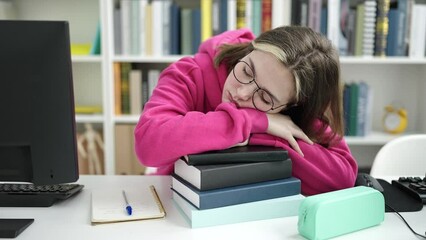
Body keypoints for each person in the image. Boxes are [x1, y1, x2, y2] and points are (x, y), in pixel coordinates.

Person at [134, 26, 358, 195]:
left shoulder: (295, 107)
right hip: (176, 204)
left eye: (264, 97)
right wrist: (254, 121)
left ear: (290, 106)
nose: (242, 93)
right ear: (249, 51)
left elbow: (342, 178)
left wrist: (274, 138)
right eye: (246, 70)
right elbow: (148, 143)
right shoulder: (190, 73)